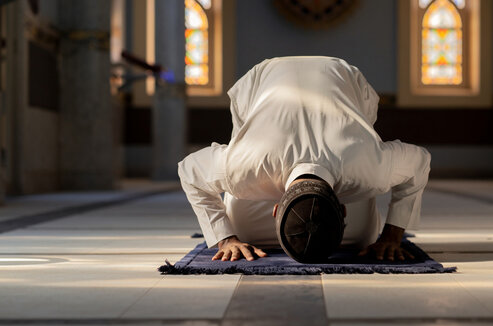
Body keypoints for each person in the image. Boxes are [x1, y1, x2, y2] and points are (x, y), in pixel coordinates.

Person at [178, 56, 431, 263]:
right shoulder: (247, 164)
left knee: (243, 224)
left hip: (341, 86)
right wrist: (391, 236)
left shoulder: (369, 167)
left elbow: (190, 170)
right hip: (265, 80)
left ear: (275, 209)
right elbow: (420, 162)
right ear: (343, 208)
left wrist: (227, 237)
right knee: (362, 235)